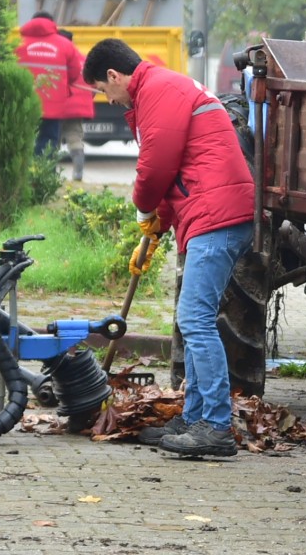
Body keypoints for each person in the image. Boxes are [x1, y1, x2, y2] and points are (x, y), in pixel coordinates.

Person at [82, 38, 254, 457]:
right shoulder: (159, 89)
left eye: (103, 90)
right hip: (210, 212)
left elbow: (155, 166)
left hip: (217, 214)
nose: (108, 100)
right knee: (193, 319)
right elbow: (174, 168)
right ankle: (194, 418)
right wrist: (157, 227)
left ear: (113, 75)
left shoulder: (158, 91)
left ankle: (216, 427)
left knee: (195, 319)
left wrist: (143, 209)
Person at [15, 11, 84, 157]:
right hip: (53, 104)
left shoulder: (18, 44)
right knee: (48, 142)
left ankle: (27, 169)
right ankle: (45, 170)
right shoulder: (65, 44)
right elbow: (74, 72)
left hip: (25, 103)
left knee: (24, 140)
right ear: (52, 24)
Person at [58, 27, 95, 181]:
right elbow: (93, 85)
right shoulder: (83, 59)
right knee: (75, 138)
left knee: (52, 139)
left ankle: (47, 173)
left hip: (57, 106)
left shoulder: (57, 56)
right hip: (78, 108)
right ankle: (78, 174)